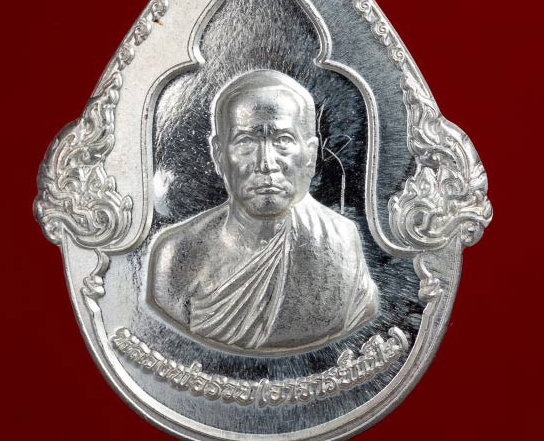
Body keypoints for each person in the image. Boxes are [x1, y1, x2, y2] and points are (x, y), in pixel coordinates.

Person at [148, 70, 378, 352]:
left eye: (282, 140)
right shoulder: (177, 255)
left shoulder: (342, 243)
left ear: (310, 154)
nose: (266, 163)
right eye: (246, 141)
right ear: (219, 155)